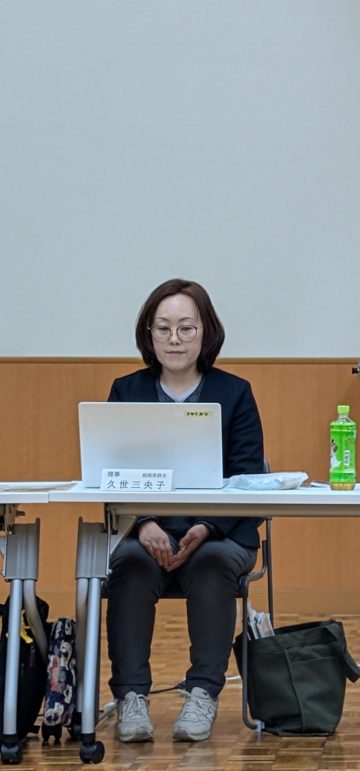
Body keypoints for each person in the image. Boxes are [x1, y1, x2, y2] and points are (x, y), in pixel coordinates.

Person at [106, 278, 264, 743]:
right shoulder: (126, 391)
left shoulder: (235, 393)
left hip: (221, 534)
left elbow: (247, 476)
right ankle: (131, 697)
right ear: (149, 334)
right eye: (163, 328)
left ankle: (202, 692)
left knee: (213, 563)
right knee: (130, 564)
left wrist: (206, 526)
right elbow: (109, 475)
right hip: (144, 533)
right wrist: (144, 524)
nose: (174, 339)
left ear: (205, 332)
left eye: (186, 328)